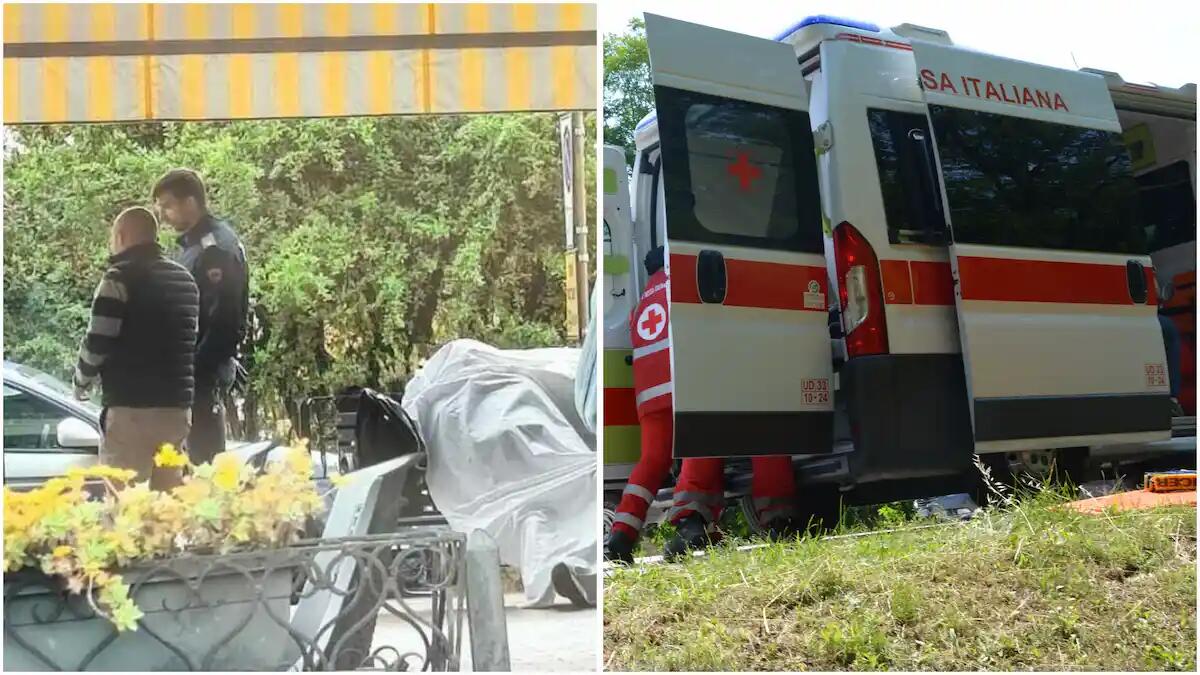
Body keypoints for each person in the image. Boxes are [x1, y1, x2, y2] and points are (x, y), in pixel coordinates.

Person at [73, 207, 199, 489]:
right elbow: (191, 341)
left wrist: (81, 381)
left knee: (123, 504)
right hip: (177, 410)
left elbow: (98, 341)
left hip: (130, 409)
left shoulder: (118, 278)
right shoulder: (186, 281)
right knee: (166, 508)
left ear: (121, 236)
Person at [152, 168, 250, 464]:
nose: (164, 215)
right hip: (196, 375)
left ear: (191, 202)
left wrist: (192, 370)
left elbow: (223, 323)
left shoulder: (214, 250)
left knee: (204, 465)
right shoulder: (197, 245)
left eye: (167, 206)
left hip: (201, 377)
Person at [604, 247, 675, 564]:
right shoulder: (679, 288)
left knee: (650, 463)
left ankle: (622, 532)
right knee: (701, 456)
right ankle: (694, 523)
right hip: (680, 388)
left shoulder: (640, 304)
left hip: (648, 397)